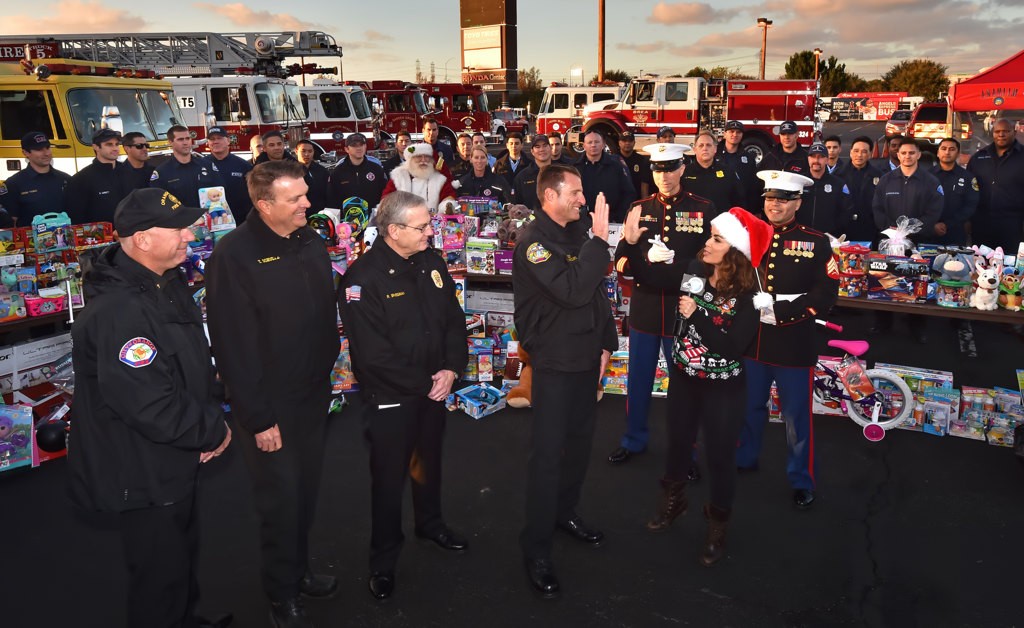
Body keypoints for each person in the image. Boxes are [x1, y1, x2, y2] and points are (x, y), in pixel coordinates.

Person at [68, 187, 232, 628]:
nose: (188, 235)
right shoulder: (120, 310)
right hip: (142, 465)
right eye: (177, 228)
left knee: (180, 558)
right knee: (158, 576)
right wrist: (213, 432)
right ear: (141, 239)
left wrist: (201, 425)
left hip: (175, 452)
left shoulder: (164, 281)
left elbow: (187, 363)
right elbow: (147, 402)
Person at [205, 160, 340, 628]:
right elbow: (232, 347)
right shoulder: (233, 255)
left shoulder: (309, 240)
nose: (308, 203)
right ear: (264, 205)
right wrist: (259, 418)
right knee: (280, 501)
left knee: (305, 494)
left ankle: (299, 572)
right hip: (269, 405)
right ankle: (280, 593)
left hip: (314, 395)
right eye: (297, 198)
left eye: (306, 193)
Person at [338, 191, 469, 601]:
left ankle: (430, 525)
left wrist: (450, 369)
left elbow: (452, 319)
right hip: (392, 397)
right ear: (393, 231)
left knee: (428, 462)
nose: (432, 232)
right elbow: (373, 355)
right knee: (389, 479)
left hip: (434, 387)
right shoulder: (361, 279)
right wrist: (428, 383)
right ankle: (384, 559)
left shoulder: (430, 261)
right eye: (423, 226)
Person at [513, 164, 618, 598]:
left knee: (578, 447)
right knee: (549, 457)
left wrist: (607, 343)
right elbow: (573, 288)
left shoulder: (576, 233)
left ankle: (565, 513)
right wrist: (600, 239)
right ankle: (536, 548)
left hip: (585, 358)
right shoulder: (532, 242)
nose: (581, 199)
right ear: (551, 196)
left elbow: (594, 293)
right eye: (575, 192)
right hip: (554, 363)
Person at [649, 207, 771, 567]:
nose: (707, 242)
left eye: (717, 239)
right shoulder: (694, 270)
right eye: (710, 235)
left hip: (724, 387)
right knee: (676, 444)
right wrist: (637, 248)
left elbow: (732, 347)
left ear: (735, 250)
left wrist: (696, 314)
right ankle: (674, 501)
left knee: (719, 457)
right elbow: (655, 279)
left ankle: (718, 523)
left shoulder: (750, 295)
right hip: (685, 378)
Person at [607, 143, 716, 472]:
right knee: (638, 381)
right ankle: (633, 439)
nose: (664, 176)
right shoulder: (638, 208)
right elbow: (621, 262)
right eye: (658, 169)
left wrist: (674, 267)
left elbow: (712, 261)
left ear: (683, 169)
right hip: (646, 309)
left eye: (671, 168)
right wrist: (636, 253)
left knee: (685, 387)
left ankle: (687, 451)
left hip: (683, 311)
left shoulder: (702, 207)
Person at [735, 170, 839, 511]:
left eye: (782, 199)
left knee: (796, 416)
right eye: (769, 198)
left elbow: (826, 292)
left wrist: (783, 311)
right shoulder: (750, 237)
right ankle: (745, 458)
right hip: (754, 338)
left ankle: (801, 478)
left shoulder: (817, 240)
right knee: (749, 407)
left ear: (797, 202)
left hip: (794, 339)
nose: (774, 205)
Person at [871, 137, 943, 343]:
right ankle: (883, 322)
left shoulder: (931, 182)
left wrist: (912, 231)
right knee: (885, 281)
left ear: (919, 155)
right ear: (898, 155)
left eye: (912, 153)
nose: (907, 156)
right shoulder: (886, 180)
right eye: (904, 153)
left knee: (917, 284)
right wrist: (891, 231)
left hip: (916, 244)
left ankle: (917, 327)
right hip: (889, 241)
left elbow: (934, 211)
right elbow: (877, 208)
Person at [968, 118, 1024, 252]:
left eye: (1006, 131)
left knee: (1010, 265)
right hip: (982, 223)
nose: (1001, 135)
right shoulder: (978, 158)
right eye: (997, 131)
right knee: (981, 265)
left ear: (1014, 132)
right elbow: (969, 191)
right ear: (992, 133)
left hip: (1013, 224)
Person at [0, 131, 71, 225]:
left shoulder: (66, 179)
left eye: (48, 148)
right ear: (25, 153)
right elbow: (10, 224)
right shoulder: (13, 184)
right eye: (39, 149)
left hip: (65, 237)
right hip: (29, 239)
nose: (46, 153)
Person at [153, 125, 222, 208]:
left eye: (188, 138)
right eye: (180, 139)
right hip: (180, 219)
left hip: (208, 218)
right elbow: (159, 204)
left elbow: (221, 194)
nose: (185, 142)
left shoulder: (208, 166)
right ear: (170, 142)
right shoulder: (162, 172)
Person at [65, 128, 123, 224]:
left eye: (117, 144)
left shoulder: (128, 171)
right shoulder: (81, 179)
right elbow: (76, 217)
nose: (115, 148)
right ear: (96, 147)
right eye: (109, 144)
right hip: (100, 237)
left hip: (134, 234)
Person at [578, 129, 637, 221]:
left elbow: (628, 193)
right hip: (581, 221)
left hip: (611, 220)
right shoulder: (575, 167)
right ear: (584, 145)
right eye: (590, 142)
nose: (593, 145)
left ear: (603, 144)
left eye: (597, 142)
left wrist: (618, 217)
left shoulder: (617, 165)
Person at [381, 144, 457, 213]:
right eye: (419, 157)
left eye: (426, 157)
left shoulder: (439, 179)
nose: (423, 160)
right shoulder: (399, 177)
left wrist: (446, 206)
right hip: (404, 223)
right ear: (410, 160)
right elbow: (387, 198)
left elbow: (448, 195)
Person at [932, 138, 979, 246]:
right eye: (943, 148)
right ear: (938, 153)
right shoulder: (927, 176)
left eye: (952, 149)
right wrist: (932, 224)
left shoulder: (967, 177)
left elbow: (971, 205)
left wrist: (947, 224)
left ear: (958, 153)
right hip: (931, 232)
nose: (947, 152)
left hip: (956, 231)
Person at [799, 143, 853, 236]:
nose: (816, 160)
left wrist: (834, 230)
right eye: (813, 157)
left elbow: (847, 210)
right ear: (808, 159)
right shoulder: (799, 181)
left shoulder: (838, 184)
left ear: (827, 160)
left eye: (820, 157)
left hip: (828, 238)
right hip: (802, 235)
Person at [683, 131, 742, 213]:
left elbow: (738, 201)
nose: (705, 148)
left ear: (715, 149)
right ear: (695, 150)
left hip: (720, 222)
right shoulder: (684, 173)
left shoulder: (728, 172)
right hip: (694, 223)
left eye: (708, 145)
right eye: (701, 145)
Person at [328, 132, 387, 212]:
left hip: (373, 219)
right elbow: (331, 199)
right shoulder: (338, 172)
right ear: (346, 149)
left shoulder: (376, 169)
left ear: (365, 146)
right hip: (346, 219)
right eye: (354, 145)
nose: (359, 148)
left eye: (361, 145)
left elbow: (385, 194)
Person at [206, 126, 253, 224]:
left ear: (228, 141)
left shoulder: (244, 165)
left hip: (241, 221)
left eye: (219, 138)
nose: (215, 142)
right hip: (213, 221)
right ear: (208, 143)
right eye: (212, 139)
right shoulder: (200, 165)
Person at [841, 136, 883, 244]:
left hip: (869, 229)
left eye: (864, 152)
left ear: (869, 154)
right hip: (843, 230)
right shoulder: (838, 175)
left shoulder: (879, 176)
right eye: (856, 151)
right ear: (850, 152)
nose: (859, 155)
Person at [716, 120, 760, 214]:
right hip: (718, 207)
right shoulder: (714, 155)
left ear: (742, 135)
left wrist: (755, 210)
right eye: (731, 131)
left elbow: (754, 186)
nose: (735, 134)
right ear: (725, 134)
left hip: (741, 208)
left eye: (738, 132)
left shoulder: (749, 158)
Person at [512, 134, 554, 210]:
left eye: (545, 146)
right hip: (531, 221)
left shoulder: (561, 173)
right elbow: (517, 206)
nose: (542, 149)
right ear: (532, 151)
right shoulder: (522, 177)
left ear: (550, 148)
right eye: (537, 147)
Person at [295, 139, 330, 216]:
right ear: (296, 151)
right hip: (299, 214)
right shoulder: (291, 171)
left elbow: (327, 194)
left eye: (310, 151)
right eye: (303, 151)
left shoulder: (322, 171)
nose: (307, 154)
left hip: (319, 215)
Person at [117, 131, 157, 195]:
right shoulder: (117, 175)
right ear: (127, 149)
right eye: (139, 146)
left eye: (146, 145)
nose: (145, 149)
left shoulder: (155, 171)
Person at [617, 130, 653, 199]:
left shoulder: (642, 160)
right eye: (624, 141)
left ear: (634, 143)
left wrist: (644, 203)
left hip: (636, 200)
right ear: (619, 143)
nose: (627, 143)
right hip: (618, 200)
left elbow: (644, 183)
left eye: (630, 141)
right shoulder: (613, 160)